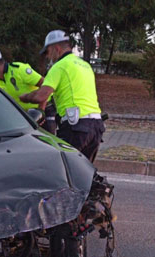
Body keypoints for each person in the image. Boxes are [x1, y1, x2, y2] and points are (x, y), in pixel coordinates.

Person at [20, 30, 105, 162]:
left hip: (76, 127)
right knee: (85, 173)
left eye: (47, 52)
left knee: (62, 167)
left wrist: (24, 97)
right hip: (96, 126)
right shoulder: (85, 65)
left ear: (56, 48)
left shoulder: (59, 66)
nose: (48, 57)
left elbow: (41, 96)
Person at [0, 47, 57, 134]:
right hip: (26, 115)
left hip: (44, 108)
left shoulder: (19, 70)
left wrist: (41, 111)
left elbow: (46, 85)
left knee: (50, 140)